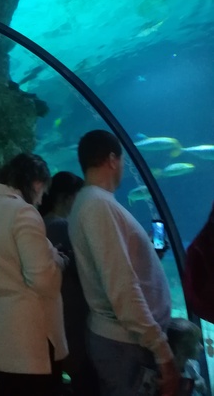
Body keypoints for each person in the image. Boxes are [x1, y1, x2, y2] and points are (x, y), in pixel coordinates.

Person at [68, 130, 179, 396]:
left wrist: (147, 253)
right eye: (122, 161)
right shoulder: (98, 206)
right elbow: (121, 285)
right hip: (126, 344)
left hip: (125, 341)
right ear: (112, 159)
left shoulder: (92, 203)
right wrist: (162, 350)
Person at [0, 152, 68, 396]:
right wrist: (58, 263)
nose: (41, 200)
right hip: (27, 341)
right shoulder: (23, 212)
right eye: (42, 192)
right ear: (37, 184)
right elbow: (42, 280)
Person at [40, 172, 99, 396]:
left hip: (51, 316)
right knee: (85, 380)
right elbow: (87, 269)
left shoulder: (41, 223)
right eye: (78, 197)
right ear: (65, 198)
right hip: (71, 316)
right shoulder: (63, 227)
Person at [167, 318, 207, 395]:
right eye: (196, 343)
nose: (201, 347)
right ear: (180, 347)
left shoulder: (193, 365)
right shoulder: (165, 374)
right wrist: (192, 386)